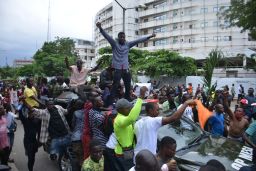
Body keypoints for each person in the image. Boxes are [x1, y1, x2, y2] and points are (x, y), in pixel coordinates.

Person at [96, 22, 156, 102]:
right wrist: (100, 28)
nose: (122, 38)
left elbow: (138, 40)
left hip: (126, 69)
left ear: (125, 38)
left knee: (128, 85)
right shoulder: (114, 44)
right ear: (118, 38)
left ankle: (127, 98)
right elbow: (107, 36)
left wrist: (150, 36)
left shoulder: (128, 44)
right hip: (117, 69)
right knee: (115, 86)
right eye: (120, 37)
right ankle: (109, 102)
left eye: (123, 37)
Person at [114, 86, 148, 171]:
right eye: (128, 108)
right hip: (123, 153)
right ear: (121, 109)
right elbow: (132, 118)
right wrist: (140, 98)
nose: (131, 109)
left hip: (128, 151)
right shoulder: (119, 120)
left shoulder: (124, 117)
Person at [19, 97, 41, 171]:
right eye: (30, 113)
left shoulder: (37, 121)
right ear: (28, 114)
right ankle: (30, 170)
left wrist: (39, 140)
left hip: (34, 141)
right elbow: (20, 114)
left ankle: (31, 168)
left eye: (32, 113)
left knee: (33, 158)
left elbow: (39, 131)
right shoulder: (26, 121)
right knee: (30, 157)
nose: (31, 114)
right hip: (27, 141)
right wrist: (23, 102)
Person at [71, 99, 85, 170]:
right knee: (83, 156)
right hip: (85, 136)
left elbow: (73, 124)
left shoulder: (75, 113)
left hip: (77, 137)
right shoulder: (87, 112)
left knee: (78, 157)